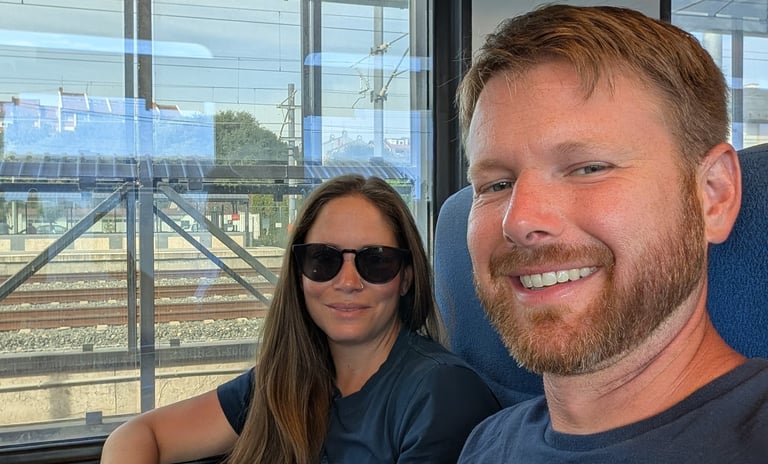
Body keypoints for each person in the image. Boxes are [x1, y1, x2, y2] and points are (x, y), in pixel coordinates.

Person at [455, 4, 768, 463]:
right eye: (496, 185)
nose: (518, 221)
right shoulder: (487, 444)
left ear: (713, 196)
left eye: (589, 168)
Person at [101, 174, 500, 464]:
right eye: (323, 260)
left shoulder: (442, 394)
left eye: (375, 261)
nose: (348, 282)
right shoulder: (287, 377)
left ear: (406, 277)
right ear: (299, 274)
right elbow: (138, 434)